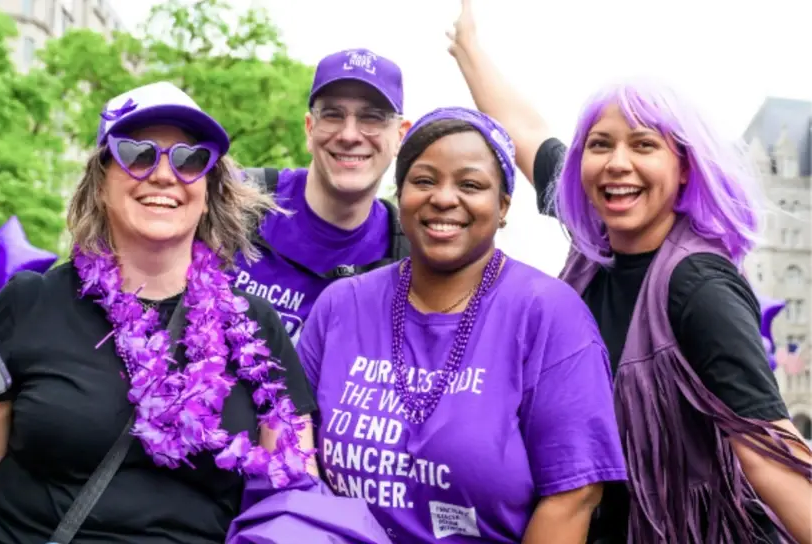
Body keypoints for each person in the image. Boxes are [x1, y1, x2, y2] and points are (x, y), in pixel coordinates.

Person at [0, 81, 318, 544]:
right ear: (100, 183)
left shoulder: (255, 328)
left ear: (208, 191)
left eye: (189, 159)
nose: (164, 175)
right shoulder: (31, 303)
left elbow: (295, 495)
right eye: (138, 154)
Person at [447, 1, 812, 542]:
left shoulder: (698, 286)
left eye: (644, 144)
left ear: (683, 167)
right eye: (600, 144)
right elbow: (525, 129)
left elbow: (770, 455)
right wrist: (468, 49)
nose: (618, 162)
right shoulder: (595, 239)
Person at [295, 107, 628, 543]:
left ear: (503, 205)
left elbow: (573, 495)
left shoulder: (549, 315)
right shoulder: (341, 306)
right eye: (424, 181)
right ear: (401, 193)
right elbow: (290, 446)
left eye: (470, 185)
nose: (443, 198)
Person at [237, 48, 412, 344]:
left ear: (400, 136)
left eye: (372, 118)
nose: (349, 135)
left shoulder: (408, 257)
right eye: (332, 115)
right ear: (309, 128)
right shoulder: (239, 199)